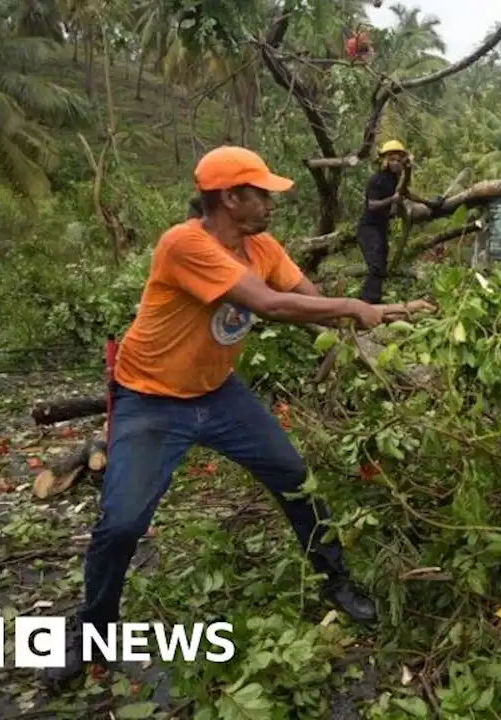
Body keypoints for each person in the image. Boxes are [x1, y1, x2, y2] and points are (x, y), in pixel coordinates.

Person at [44, 146, 433, 688]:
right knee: (123, 523)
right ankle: (93, 630)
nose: (271, 203)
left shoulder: (263, 247)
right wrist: (351, 307)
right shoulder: (185, 244)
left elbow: (310, 301)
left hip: (218, 392)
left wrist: (383, 316)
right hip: (152, 398)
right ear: (230, 198)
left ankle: (334, 579)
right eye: (262, 193)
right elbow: (271, 306)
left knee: (295, 479)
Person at [355, 140, 444, 304]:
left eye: (398, 160)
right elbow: (372, 205)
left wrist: (431, 203)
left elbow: (407, 194)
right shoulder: (377, 180)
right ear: (385, 161)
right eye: (392, 159)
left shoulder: (394, 179)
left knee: (381, 267)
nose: (395, 163)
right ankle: (364, 303)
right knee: (375, 265)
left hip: (381, 228)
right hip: (368, 229)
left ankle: (374, 302)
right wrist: (391, 200)